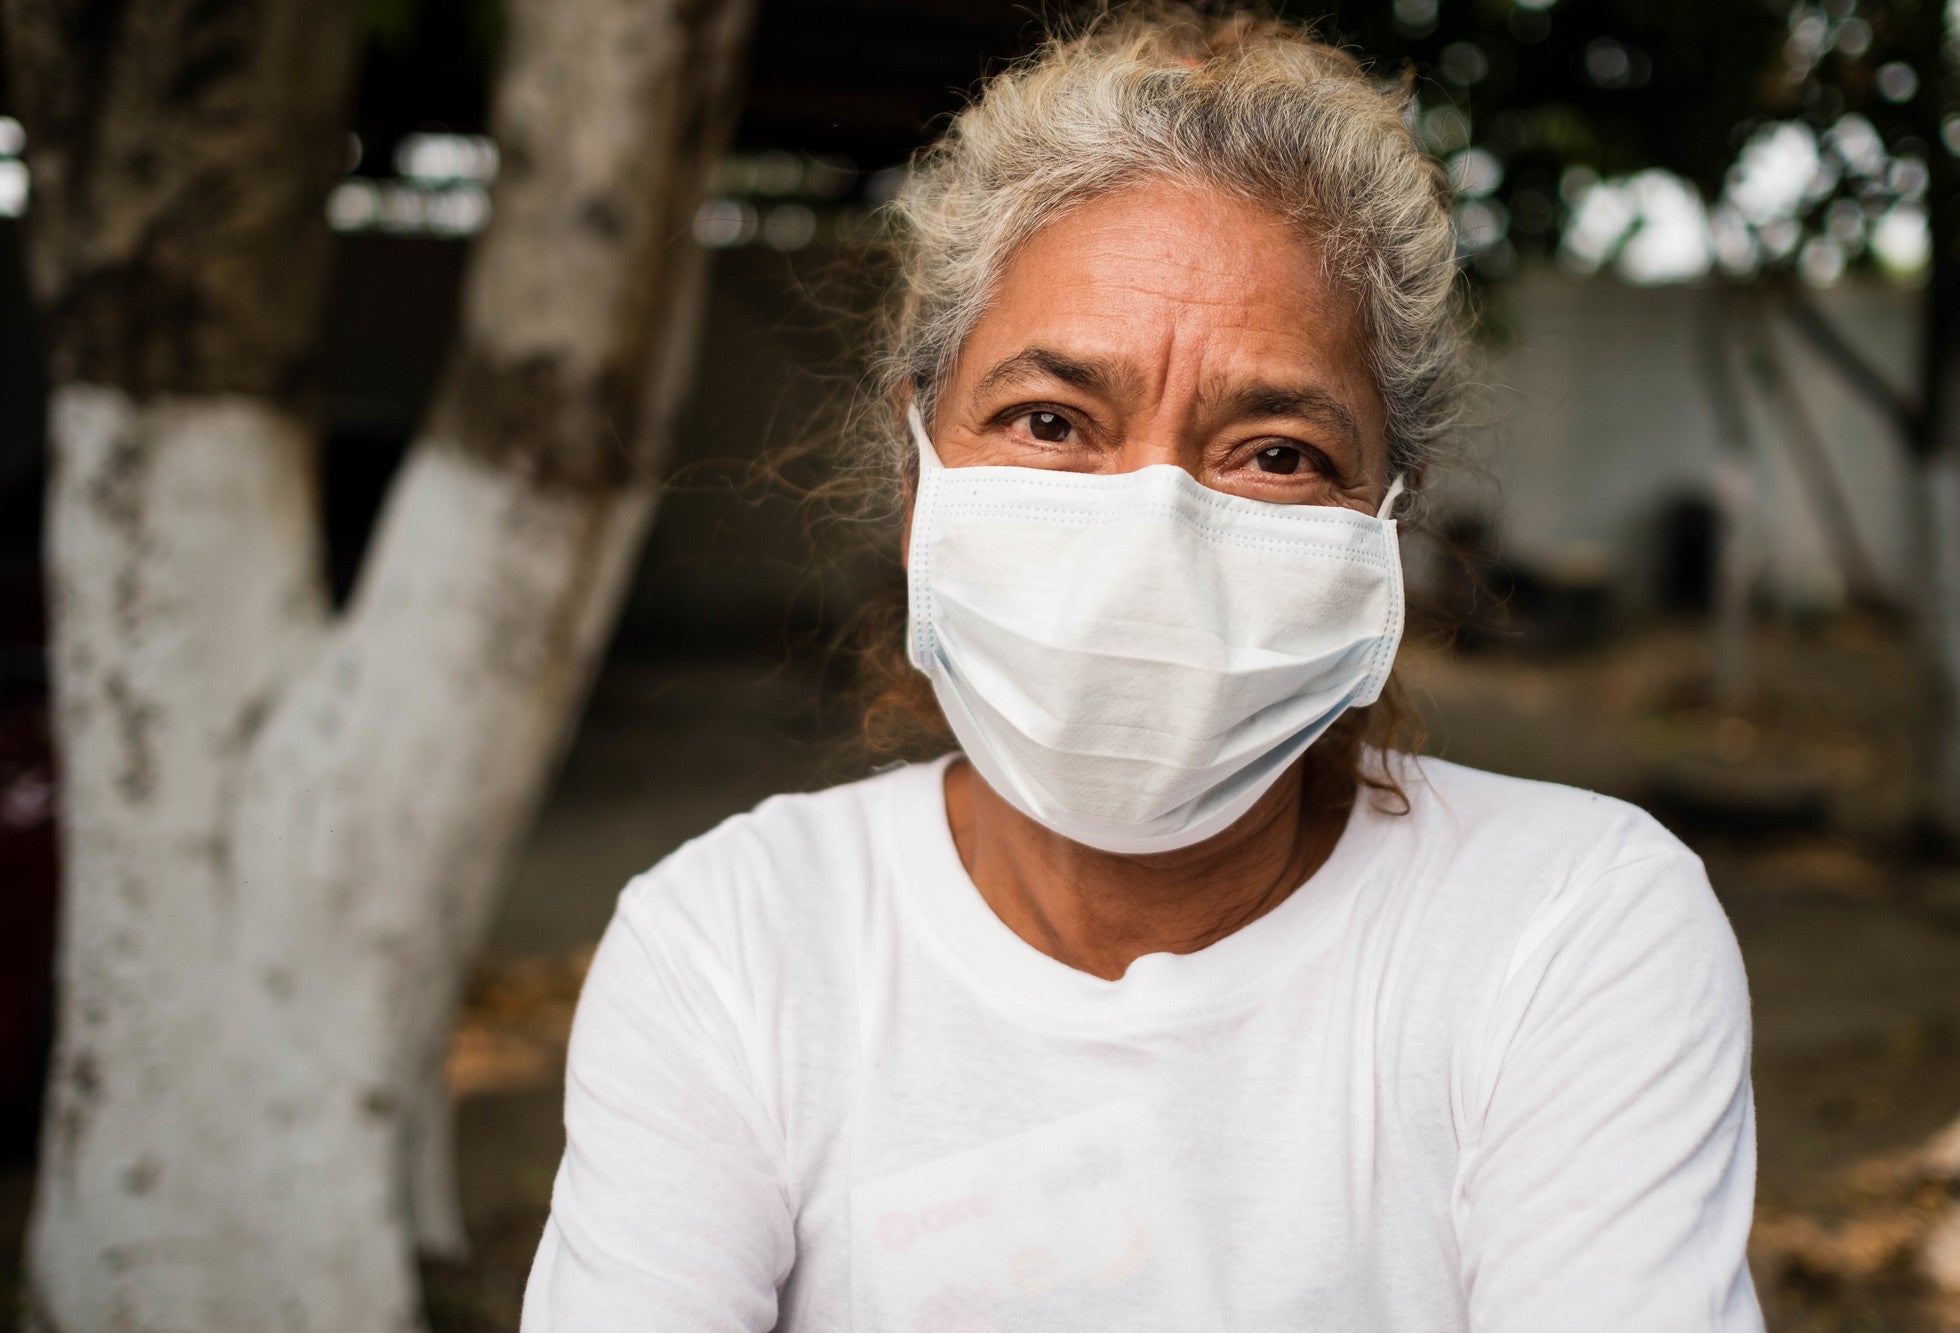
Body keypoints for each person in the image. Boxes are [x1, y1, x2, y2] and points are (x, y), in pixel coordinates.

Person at [521, 7, 1761, 1330]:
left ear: (1386, 525)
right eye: (1052, 422)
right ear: (918, 475)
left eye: (1276, 453)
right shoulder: (734, 946)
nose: (1148, 539)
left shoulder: (1567, 929)